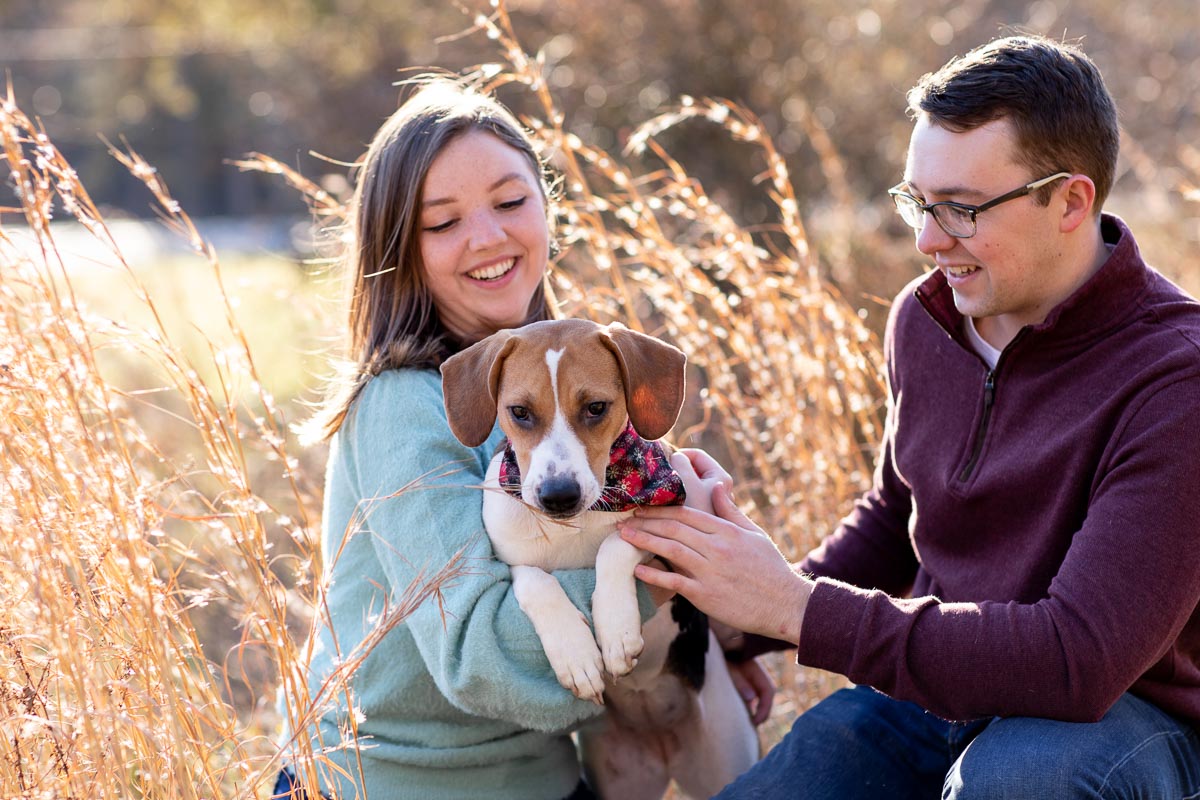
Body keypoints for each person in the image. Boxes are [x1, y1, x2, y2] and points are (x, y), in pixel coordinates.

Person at [620, 34, 1200, 799]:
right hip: (935, 702)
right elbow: (899, 515)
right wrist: (739, 617)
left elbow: (1078, 660)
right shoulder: (926, 320)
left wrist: (800, 610)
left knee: (1017, 783)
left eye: (961, 210)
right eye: (917, 204)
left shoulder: (1177, 379)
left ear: (1071, 200)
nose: (928, 242)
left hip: (1119, 724)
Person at [274, 77, 771, 800]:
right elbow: (478, 654)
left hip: (544, 780)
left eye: (510, 202)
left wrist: (708, 640)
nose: (487, 236)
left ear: (547, 210)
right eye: (442, 222)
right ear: (400, 250)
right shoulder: (403, 407)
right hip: (392, 784)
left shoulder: (574, 370)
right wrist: (661, 581)